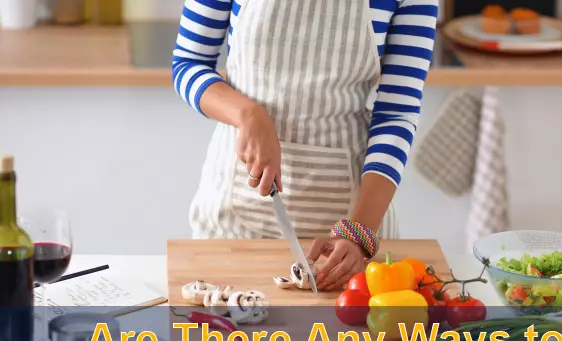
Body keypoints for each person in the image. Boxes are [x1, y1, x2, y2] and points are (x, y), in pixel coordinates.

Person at [173, 0, 438, 291]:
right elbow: (189, 63)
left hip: (351, 219)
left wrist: (360, 232)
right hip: (233, 219)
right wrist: (248, 114)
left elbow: (396, 112)